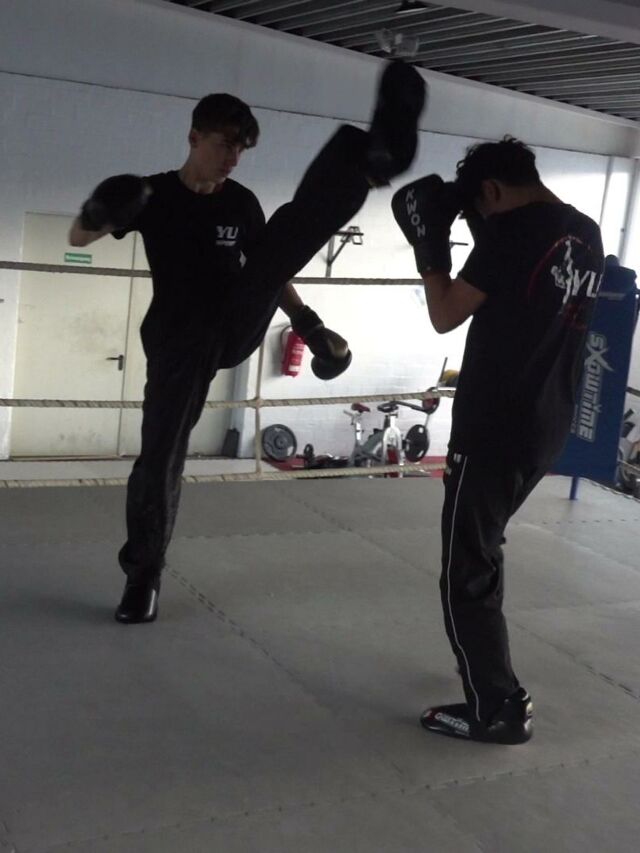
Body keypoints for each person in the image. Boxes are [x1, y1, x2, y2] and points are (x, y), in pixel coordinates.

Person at [69, 60, 427, 625]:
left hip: (234, 321)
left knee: (286, 230)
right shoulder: (153, 195)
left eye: (241, 148)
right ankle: (143, 577)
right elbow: (78, 238)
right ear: (194, 137)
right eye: (225, 144)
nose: (233, 157)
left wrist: (309, 325)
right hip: (178, 340)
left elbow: (270, 269)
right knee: (160, 458)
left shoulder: (240, 202)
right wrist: (99, 210)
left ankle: (365, 160)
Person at [392, 137, 604, 744]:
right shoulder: (585, 231)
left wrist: (430, 248)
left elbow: (444, 313)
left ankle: (497, 708)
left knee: (465, 566)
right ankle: (486, 671)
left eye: (479, 207)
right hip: (547, 424)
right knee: (484, 550)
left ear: (491, 190)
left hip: (492, 427)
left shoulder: (510, 233)